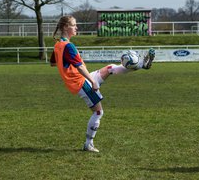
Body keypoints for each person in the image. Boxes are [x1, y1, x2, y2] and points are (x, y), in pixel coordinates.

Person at [50, 15, 155, 153]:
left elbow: (52, 63)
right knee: (98, 112)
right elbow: (80, 67)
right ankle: (88, 144)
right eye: (74, 25)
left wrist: (66, 68)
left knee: (110, 68)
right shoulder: (68, 46)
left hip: (81, 78)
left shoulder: (59, 44)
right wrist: (93, 81)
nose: (76, 27)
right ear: (65, 27)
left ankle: (142, 65)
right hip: (81, 82)